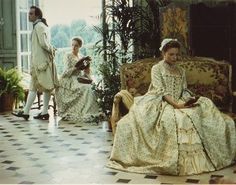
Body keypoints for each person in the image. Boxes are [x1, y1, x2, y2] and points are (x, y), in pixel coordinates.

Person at [107, 38, 236, 175]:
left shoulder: (180, 70)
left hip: (179, 100)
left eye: (176, 54)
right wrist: (176, 105)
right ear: (164, 53)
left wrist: (188, 100)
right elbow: (160, 91)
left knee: (199, 111)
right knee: (175, 119)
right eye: (171, 54)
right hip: (159, 101)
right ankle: (174, 162)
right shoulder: (157, 68)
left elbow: (184, 89)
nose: (175, 57)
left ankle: (200, 161)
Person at [12, 6, 58, 121]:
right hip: (39, 62)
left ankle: (41, 112)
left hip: (41, 63)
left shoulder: (39, 26)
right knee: (34, 86)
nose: (29, 15)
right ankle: (32, 112)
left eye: (31, 14)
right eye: (29, 13)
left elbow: (43, 44)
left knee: (44, 86)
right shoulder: (40, 26)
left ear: (37, 15)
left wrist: (51, 50)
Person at [55, 37, 100, 122]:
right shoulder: (68, 55)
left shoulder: (81, 56)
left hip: (80, 78)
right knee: (86, 89)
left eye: (76, 45)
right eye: (72, 45)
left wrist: (90, 77)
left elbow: (85, 72)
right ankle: (83, 112)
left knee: (92, 87)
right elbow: (66, 72)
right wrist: (76, 67)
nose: (73, 47)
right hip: (70, 79)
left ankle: (91, 111)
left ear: (80, 46)